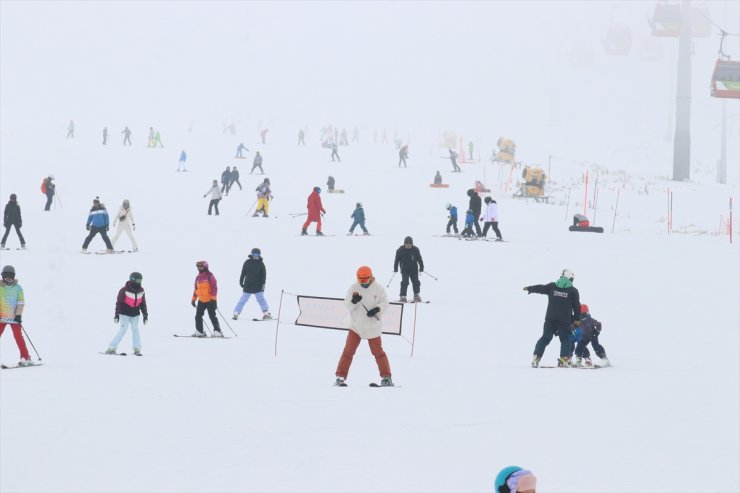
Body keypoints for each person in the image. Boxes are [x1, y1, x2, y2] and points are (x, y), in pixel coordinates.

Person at [334, 266, 392, 387]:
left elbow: (385, 303)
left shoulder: (378, 289)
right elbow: (347, 304)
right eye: (360, 280)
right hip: (356, 326)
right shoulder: (353, 288)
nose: (362, 283)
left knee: (378, 353)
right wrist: (353, 301)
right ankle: (340, 376)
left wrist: (377, 309)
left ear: (371, 277)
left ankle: (386, 377)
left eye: (365, 280)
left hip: (372, 327)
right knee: (348, 351)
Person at [524, 268, 581, 368]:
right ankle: (563, 360)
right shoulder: (573, 291)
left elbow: (540, 288)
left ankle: (536, 358)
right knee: (565, 339)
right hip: (564, 320)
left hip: (550, 319)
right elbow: (577, 306)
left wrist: (530, 288)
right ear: (570, 278)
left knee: (545, 338)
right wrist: (577, 319)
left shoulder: (552, 287)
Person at [105, 272, 148, 356]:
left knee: (135, 330)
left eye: (140, 280)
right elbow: (119, 303)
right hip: (124, 313)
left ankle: (137, 348)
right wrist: (117, 314)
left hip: (135, 314)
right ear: (132, 280)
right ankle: (112, 347)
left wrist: (145, 315)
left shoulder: (141, 290)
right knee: (123, 330)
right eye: (137, 280)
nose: (139, 282)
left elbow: (143, 303)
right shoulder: (124, 290)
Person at [0, 265, 33, 366]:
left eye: (10, 275)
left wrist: (18, 315)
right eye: (6, 275)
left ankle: (25, 357)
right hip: (1, 318)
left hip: (14, 318)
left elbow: (20, 303)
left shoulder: (18, 288)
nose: (8, 278)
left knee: (18, 337)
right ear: (2, 276)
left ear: (13, 276)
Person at [232, 248, 271, 320]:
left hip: (258, 285)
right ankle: (236, 312)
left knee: (261, 299)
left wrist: (263, 284)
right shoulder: (247, 262)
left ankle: (266, 313)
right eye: (254, 254)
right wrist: (241, 281)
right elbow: (243, 273)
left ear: (259, 255)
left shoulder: (261, 264)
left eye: (257, 254)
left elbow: (263, 275)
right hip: (248, 285)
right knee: (243, 299)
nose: (256, 256)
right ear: (252, 254)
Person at [191, 260, 223, 337]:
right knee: (198, 316)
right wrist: (193, 299)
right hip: (201, 300)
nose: (199, 268)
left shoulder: (210, 276)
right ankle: (199, 331)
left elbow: (214, 289)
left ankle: (217, 331)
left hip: (210, 300)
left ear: (205, 267)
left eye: (201, 267)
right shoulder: (198, 278)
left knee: (212, 316)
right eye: (198, 267)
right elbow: (196, 289)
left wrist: (213, 299)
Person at [393, 236, 424, 302]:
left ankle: (416, 295)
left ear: (412, 244)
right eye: (407, 244)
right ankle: (403, 296)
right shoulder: (400, 250)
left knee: (416, 282)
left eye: (410, 244)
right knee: (405, 282)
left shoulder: (416, 249)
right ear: (404, 243)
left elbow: (419, 259)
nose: (408, 245)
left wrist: (421, 267)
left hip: (414, 269)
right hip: (404, 270)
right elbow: (396, 260)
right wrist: (395, 268)